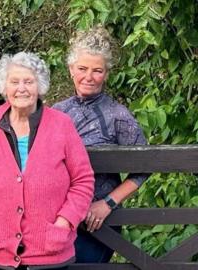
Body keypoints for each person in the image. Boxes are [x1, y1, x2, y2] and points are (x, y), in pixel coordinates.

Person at [0, 52, 95, 270]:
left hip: (49, 251)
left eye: (28, 81)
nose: (21, 88)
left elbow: (83, 181)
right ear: (4, 87)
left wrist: (64, 222)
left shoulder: (62, 125)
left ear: (39, 86)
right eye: (14, 82)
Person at [52, 26, 150, 263]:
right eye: (82, 69)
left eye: (97, 70)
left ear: (106, 74)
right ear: (71, 70)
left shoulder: (118, 116)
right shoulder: (56, 112)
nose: (89, 76)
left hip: (95, 223)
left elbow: (145, 166)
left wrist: (107, 203)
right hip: (55, 219)